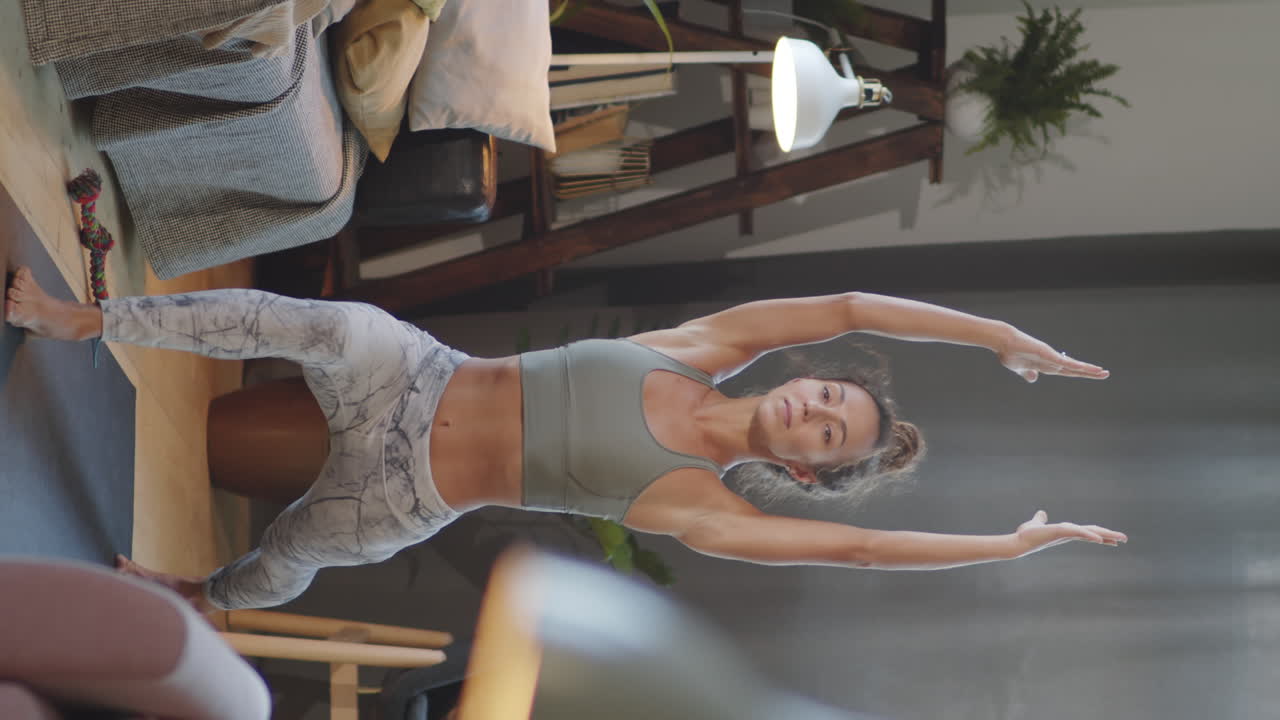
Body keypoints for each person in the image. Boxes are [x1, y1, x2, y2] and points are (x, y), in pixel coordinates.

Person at [4, 266, 1126, 612]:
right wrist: (996, 335)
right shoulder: (702, 346)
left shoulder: (702, 507)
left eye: (829, 433)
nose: (818, 407)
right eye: (829, 393)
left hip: (407, 490)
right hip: (419, 373)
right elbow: (847, 307)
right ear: (803, 379)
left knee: (288, 561)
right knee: (325, 324)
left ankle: (189, 596)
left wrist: (1011, 548)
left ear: (802, 467)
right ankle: (78, 320)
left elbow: (863, 552)